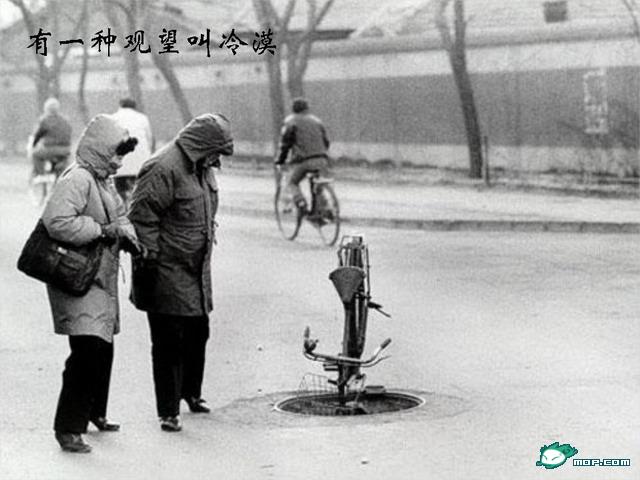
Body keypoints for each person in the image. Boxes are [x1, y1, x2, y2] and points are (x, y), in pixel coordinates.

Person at [128, 113, 233, 432]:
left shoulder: (201, 166)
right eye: (215, 153)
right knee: (168, 341)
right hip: (166, 268)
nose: (217, 161)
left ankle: (191, 393)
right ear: (201, 147)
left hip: (196, 269)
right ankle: (168, 409)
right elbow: (142, 217)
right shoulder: (162, 167)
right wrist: (151, 260)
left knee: (198, 332)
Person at [42, 114, 140, 453]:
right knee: (87, 353)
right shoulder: (78, 179)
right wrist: (102, 231)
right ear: (99, 150)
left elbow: (119, 215)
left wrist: (129, 236)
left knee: (102, 348)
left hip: (97, 278)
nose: (120, 163)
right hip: (77, 278)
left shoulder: (101, 180)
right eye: (116, 155)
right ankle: (68, 428)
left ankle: (95, 412)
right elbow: (57, 222)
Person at [274, 97, 330, 212]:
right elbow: (326, 142)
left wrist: (280, 160)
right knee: (317, 184)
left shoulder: (291, 121)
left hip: (305, 160)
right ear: (307, 108)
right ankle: (322, 210)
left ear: (293, 109)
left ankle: (301, 203)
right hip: (322, 159)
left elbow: (285, 144)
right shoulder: (317, 121)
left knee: (292, 182)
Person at [111, 97, 154, 207]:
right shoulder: (142, 118)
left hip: (120, 164)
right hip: (140, 163)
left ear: (120, 106)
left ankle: (123, 206)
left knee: (119, 189)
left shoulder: (113, 118)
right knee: (138, 189)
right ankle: (137, 206)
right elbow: (149, 140)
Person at [31, 97, 73, 179]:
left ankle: (41, 175)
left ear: (46, 109)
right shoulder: (65, 120)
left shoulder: (45, 120)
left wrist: (33, 145)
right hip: (66, 150)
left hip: (50, 149)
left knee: (35, 155)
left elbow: (38, 135)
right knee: (61, 164)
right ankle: (56, 171)